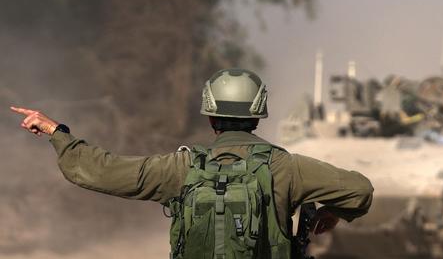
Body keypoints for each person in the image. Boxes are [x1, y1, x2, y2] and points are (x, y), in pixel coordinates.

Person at [11, 68, 373, 258]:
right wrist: (335, 212)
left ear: (210, 117)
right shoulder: (287, 168)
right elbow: (360, 189)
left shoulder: (181, 168)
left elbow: (99, 170)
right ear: (258, 116)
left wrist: (57, 131)